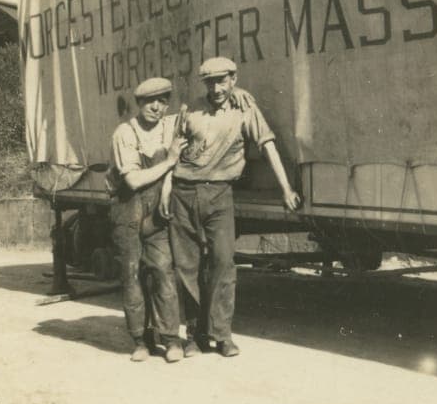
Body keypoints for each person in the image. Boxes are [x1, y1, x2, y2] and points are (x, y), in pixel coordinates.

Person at [165, 57, 301, 358]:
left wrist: (286, 189)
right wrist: (166, 193)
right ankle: (194, 336)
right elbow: (172, 157)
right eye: (210, 81)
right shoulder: (190, 110)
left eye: (222, 80)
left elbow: (267, 146)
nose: (216, 88)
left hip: (220, 194)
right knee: (186, 268)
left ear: (233, 79)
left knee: (223, 264)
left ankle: (222, 334)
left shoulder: (245, 109)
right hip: (183, 193)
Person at [107, 77, 186, 363]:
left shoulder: (171, 126)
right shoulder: (125, 133)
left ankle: (171, 339)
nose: (156, 106)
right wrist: (169, 163)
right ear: (139, 104)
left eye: (163, 100)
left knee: (163, 271)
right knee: (131, 275)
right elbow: (133, 179)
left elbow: (198, 112)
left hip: (156, 212)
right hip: (127, 209)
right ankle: (140, 340)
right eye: (150, 101)